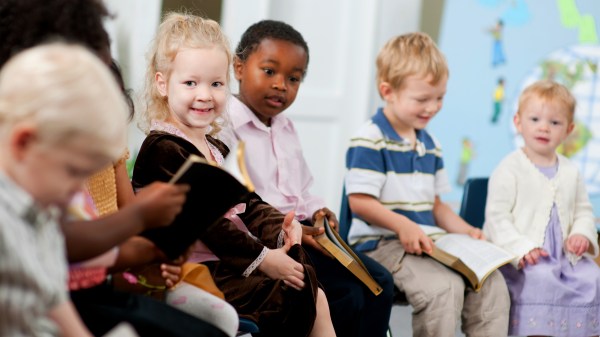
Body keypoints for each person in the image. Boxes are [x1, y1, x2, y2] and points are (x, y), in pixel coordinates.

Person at [0, 1, 237, 336]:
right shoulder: (18, 207)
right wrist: (139, 218)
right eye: (74, 173)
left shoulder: (45, 191)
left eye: (216, 83)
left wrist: (152, 248)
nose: (79, 189)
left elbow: (56, 292)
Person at [132, 13, 336, 337]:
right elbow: (210, 223)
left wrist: (281, 229)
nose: (205, 95)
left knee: (307, 281)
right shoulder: (163, 148)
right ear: (162, 84)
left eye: (216, 84)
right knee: (293, 290)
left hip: (223, 263)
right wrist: (264, 258)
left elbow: (248, 202)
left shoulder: (214, 146)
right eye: (190, 83)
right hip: (187, 268)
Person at [219, 19, 394, 337]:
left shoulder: (285, 127)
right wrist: (299, 230)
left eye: (294, 78)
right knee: (347, 295)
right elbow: (241, 210)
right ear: (239, 68)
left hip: (306, 233)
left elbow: (302, 188)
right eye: (269, 71)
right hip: (273, 242)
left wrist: (318, 210)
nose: (281, 85)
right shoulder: (224, 127)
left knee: (380, 282)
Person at [343, 32, 510, 337]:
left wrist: (466, 231)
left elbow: (435, 205)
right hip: (380, 245)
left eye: (440, 98)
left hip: (427, 243)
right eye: (422, 99)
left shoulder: (429, 143)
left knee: (492, 283)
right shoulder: (371, 138)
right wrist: (404, 225)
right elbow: (360, 202)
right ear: (388, 91)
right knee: (442, 288)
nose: (432, 107)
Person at [0, 43, 128, 337]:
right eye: (73, 172)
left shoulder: (41, 212)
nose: (78, 190)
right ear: (23, 143)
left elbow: (53, 298)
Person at [483, 80, 600, 337]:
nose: (544, 127)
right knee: (540, 282)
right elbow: (496, 218)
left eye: (555, 123)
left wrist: (581, 234)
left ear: (568, 129)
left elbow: (583, 211)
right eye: (535, 119)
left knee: (593, 278)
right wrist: (521, 248)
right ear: (518, 122)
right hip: (523, 261)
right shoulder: (510, 168)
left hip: (565, 258)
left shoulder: (570, 171)